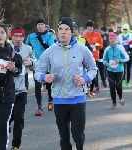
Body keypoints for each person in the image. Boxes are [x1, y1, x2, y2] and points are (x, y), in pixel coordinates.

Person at [34, 17, 97, 150]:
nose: (63, 32)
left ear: (72, 31)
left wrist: (84, 78)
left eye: (66, 29)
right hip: (59, 100)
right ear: (57, 32)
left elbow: (93, 69)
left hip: (78, 99)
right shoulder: (50, 51)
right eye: (60, 29)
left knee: (78, 136)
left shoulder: (82, 49)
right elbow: (37, 72)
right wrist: (45, 77)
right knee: (64, 138)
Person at [9, 27, 36, 150]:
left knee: (19, 118)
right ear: (11, 37)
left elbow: (36, 63)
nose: (18, 39)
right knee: (7, 120)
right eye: (16, 36)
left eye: (21, 36)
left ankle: (16, 146)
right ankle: (0, 141)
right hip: (7, 89)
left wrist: (31, 63)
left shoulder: (28, 49)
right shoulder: (6, 48)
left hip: (21, 89)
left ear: (24, 37)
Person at [25, 18, 54, 115]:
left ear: (45, 26)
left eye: (42, 24)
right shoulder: (31, 36)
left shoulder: (50, 35)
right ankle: (39, 107)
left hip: (47, 63)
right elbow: (26, 46)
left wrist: (41, 39)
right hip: (36, 64)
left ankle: (50, 99)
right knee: (38, 85)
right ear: (36, 26)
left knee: (49, 85)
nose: (40, 26)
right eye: (39, 25)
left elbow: (50, 48)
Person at [103, 33, 129, 109]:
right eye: (111, 38)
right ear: (109, 40)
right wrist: (106, 63)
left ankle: (121, 97)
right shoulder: (107, 49)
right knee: (112, 87)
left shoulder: (120, 48)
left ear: (116, 40)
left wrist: (120, 61)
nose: (112, 40)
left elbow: (127, 58)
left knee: (118, 87)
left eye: (114, 38)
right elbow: (104, 59)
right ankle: (114, 103)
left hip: (119, 70)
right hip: (110, 70)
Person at [83, 20, 103, 97]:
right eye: (88, 27)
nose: (90, 28)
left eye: (91, 27)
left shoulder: (98, 35)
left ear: (93, 27)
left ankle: (91, 89)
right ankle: (87, 88)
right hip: (86, 57)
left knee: (94, 73)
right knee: (86, 73)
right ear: (87, 28)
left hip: (95, 56)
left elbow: (101, 45)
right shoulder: (84, 36)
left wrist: (97, 45)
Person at [117, 24, 132, 88]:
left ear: (128, 29)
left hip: (129, 53)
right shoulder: (119, 36)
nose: (125, 30)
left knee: (128, 68)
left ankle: (128, 82)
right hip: (122, 54)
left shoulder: (131, 35)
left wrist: (130, 49)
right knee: (123, 68)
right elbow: (118, 44)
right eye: (124, 29)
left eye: (126, 29)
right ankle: (123, 81)